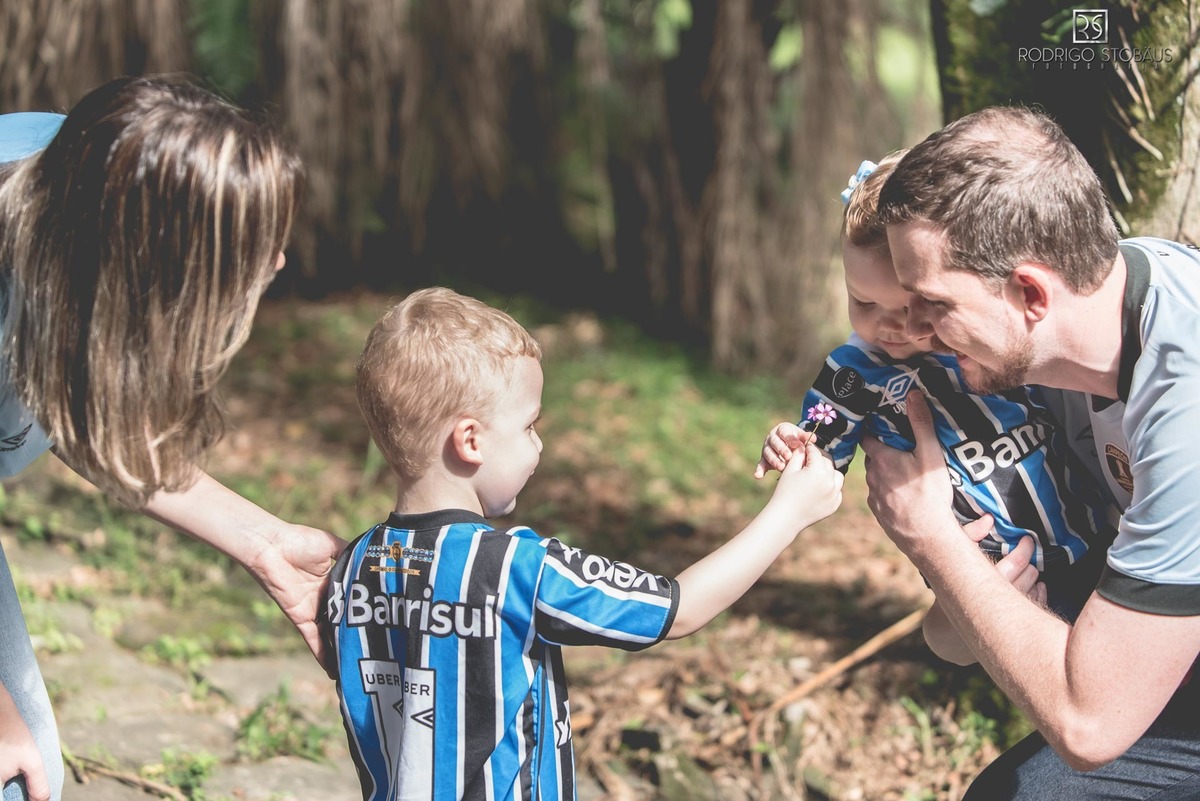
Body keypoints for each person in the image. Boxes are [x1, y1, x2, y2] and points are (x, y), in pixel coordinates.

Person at [319, 287, 844, 801]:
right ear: (471, 440)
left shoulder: (349, 570)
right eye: (529, 426)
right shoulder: (516, 569)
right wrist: (788, 514)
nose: (539, 444)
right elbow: (677, 609)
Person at [0, 77, 345, 801]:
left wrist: (265, 541)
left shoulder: (91, 179)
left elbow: (82, 409)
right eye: (255, 242)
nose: (278, 262)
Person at [861, 105, 1200, 799]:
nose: (913, 328)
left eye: (932, 303)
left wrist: (931, 537)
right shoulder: (1089, 325)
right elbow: (955, 638)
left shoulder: (1185, 404)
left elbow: (1090, 724)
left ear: (1030, 292)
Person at [755, 153, 1116, 655]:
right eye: (863, 302)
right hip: (994, 570)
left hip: (1094, 532)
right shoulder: (853, 374)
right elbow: (821, 448)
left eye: (907, 306)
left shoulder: (986, 341)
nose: (889, 325)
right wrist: (793, 444)